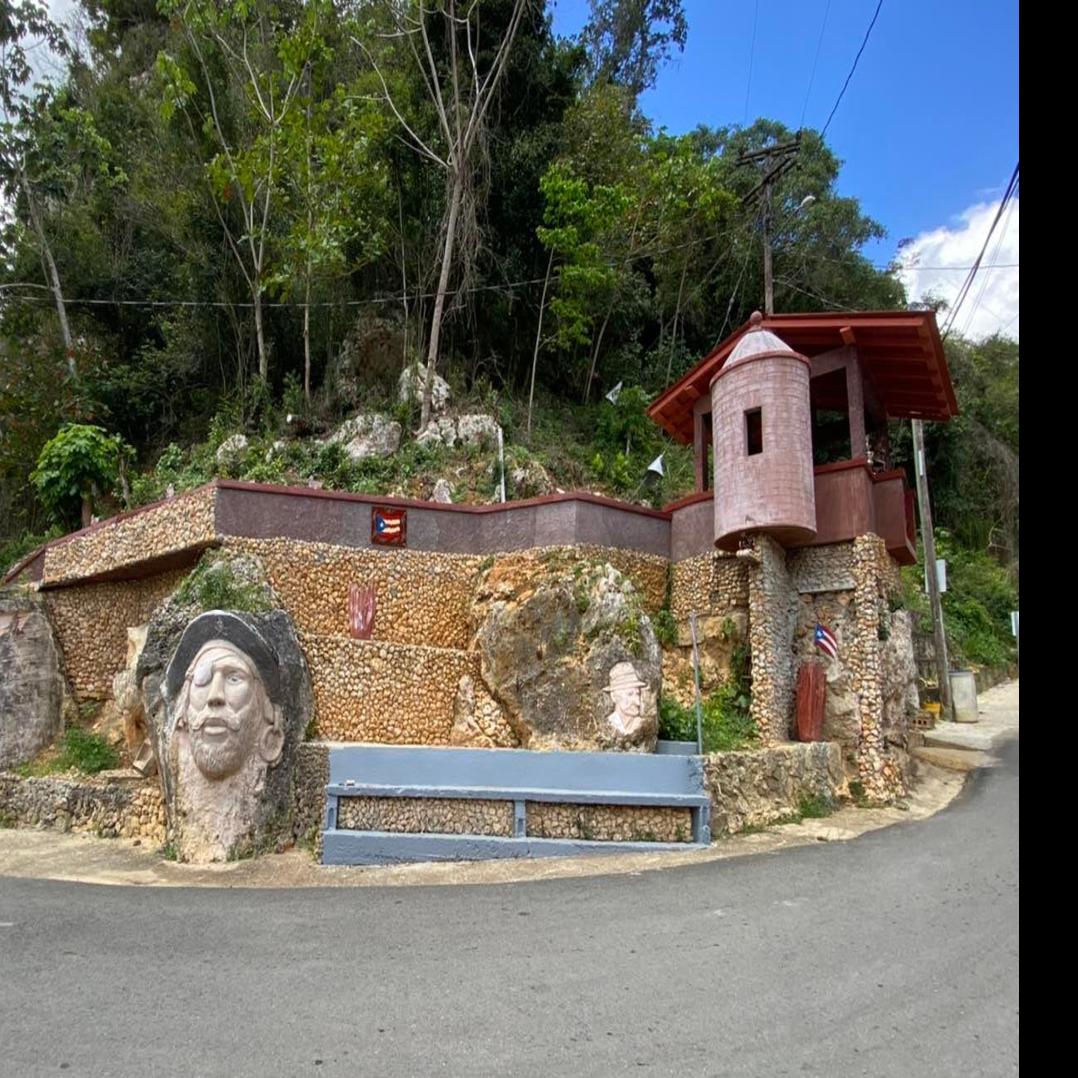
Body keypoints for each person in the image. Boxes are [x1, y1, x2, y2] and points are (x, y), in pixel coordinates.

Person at [603, 662, 649, 738]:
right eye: (630, 694)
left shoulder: (642, 725)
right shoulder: (607, 725)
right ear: (614, 696)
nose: (637, 702)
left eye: (637, 694)